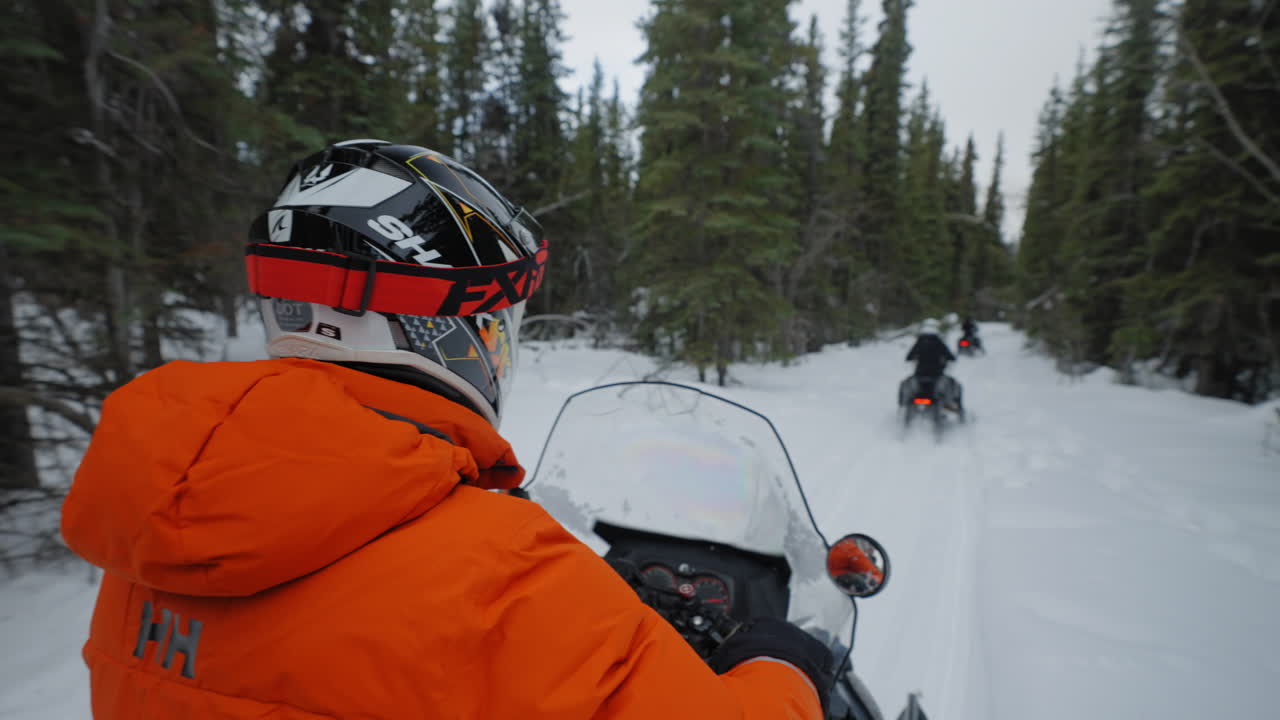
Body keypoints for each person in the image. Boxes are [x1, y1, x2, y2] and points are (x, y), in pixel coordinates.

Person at [60, 140, 833, 718]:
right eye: (496, 324)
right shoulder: (504, 572)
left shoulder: (154, 533)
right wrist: (785, 663)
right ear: (439, 327)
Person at [902, 318, 963, 415]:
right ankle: (956, 408)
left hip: (920, 374)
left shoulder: (919, 342)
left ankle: (902, 407)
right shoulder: (939, 342)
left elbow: (909, 357)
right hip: (937, 374)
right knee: (955, 386)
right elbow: (950, 356)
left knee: (906, 385)